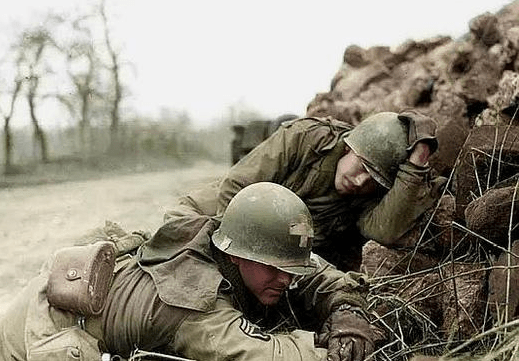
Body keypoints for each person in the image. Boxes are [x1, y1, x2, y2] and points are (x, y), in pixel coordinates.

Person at [0, 183, 382, 361]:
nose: (284, 278)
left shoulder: (232, 239)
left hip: (98, 305)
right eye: (271, 267)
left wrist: (347, 313)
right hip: (49, 323)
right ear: (237, 252)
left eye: (287, 267)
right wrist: (335, 353)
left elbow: (312, 271)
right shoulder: (193, 303)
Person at [165, 110, 446, 271]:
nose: (360, 182)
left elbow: (384, 230)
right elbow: (237, 185)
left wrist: (417, 162)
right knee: (178, 240)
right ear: (350, 147)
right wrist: (231, 253)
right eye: (361, 167)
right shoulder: (307, 138)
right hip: (226, 213)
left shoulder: (369, 198)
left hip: (277, 252)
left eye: (373, 180)